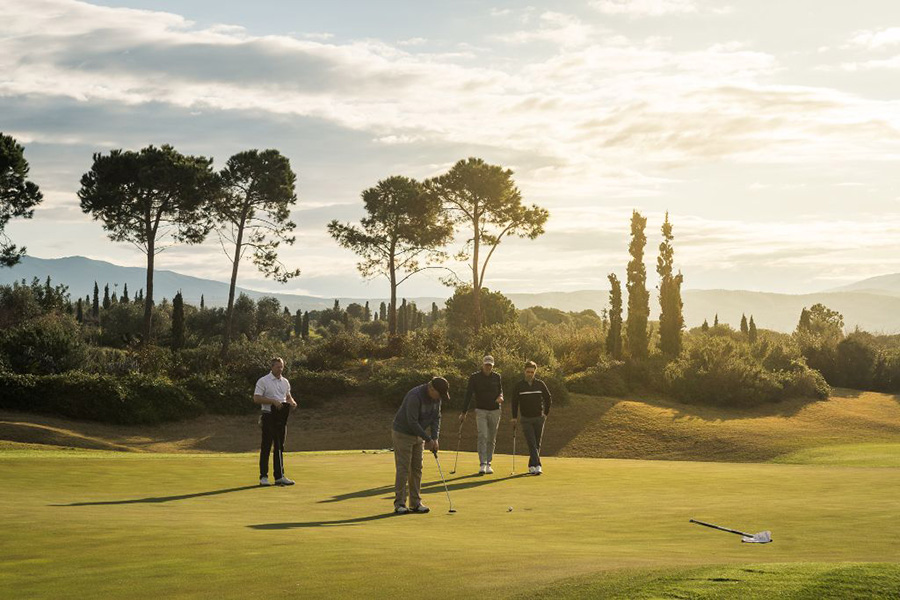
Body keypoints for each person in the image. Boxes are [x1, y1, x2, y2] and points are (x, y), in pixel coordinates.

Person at [391, 377, 449, 514]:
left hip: (418, 434)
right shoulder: (414, 396)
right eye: (439, 394)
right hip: (403, 433)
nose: (439, 397)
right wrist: (428, 439)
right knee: (403, 468)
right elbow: (412, 422)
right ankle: (399, 504)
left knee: (417, 468)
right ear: (431, 388)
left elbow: (436, 417)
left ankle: (415, 503)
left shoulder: (436, 397)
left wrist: (435, 438)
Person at [253, 357, 298, 486]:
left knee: (279, 447)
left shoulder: (285, 382)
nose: (280, 369)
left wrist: (292, 402)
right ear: (272, 367)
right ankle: (263, 477)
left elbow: (288, 396)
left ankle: (279, 476)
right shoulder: (263, 381)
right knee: (266, 446)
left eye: (282, 367)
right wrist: (272, 401)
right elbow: (256, 398)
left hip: (281, 416)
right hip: (268, 415)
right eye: (278, 367)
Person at [459, 355, 503, 475]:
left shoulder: (497, 377)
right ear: (482, 365)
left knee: (491, 438)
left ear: (493, 366)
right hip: (481, 410)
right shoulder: (475, 377)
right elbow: (468, 394)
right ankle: (482, 463)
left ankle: (489, 463)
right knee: (483, 435)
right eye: (486, 364)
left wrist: (500, 397)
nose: (488, 367)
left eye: (490, 365)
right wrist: (464, 412)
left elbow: (500, 391)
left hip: (495, 410)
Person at [511, 360, 552, 475]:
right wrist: (514, 417)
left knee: (537, 443)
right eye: (528, 372)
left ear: (535, 372)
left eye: (532, 372)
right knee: (531, 442)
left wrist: (546, 413)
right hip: (526, 419)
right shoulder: (519, 386)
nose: (530, 374)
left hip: (539, 418)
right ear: (524, 371)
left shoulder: (540, 384)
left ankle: (531, 466)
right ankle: (538, 465)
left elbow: (548, 398)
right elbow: (514, 402)